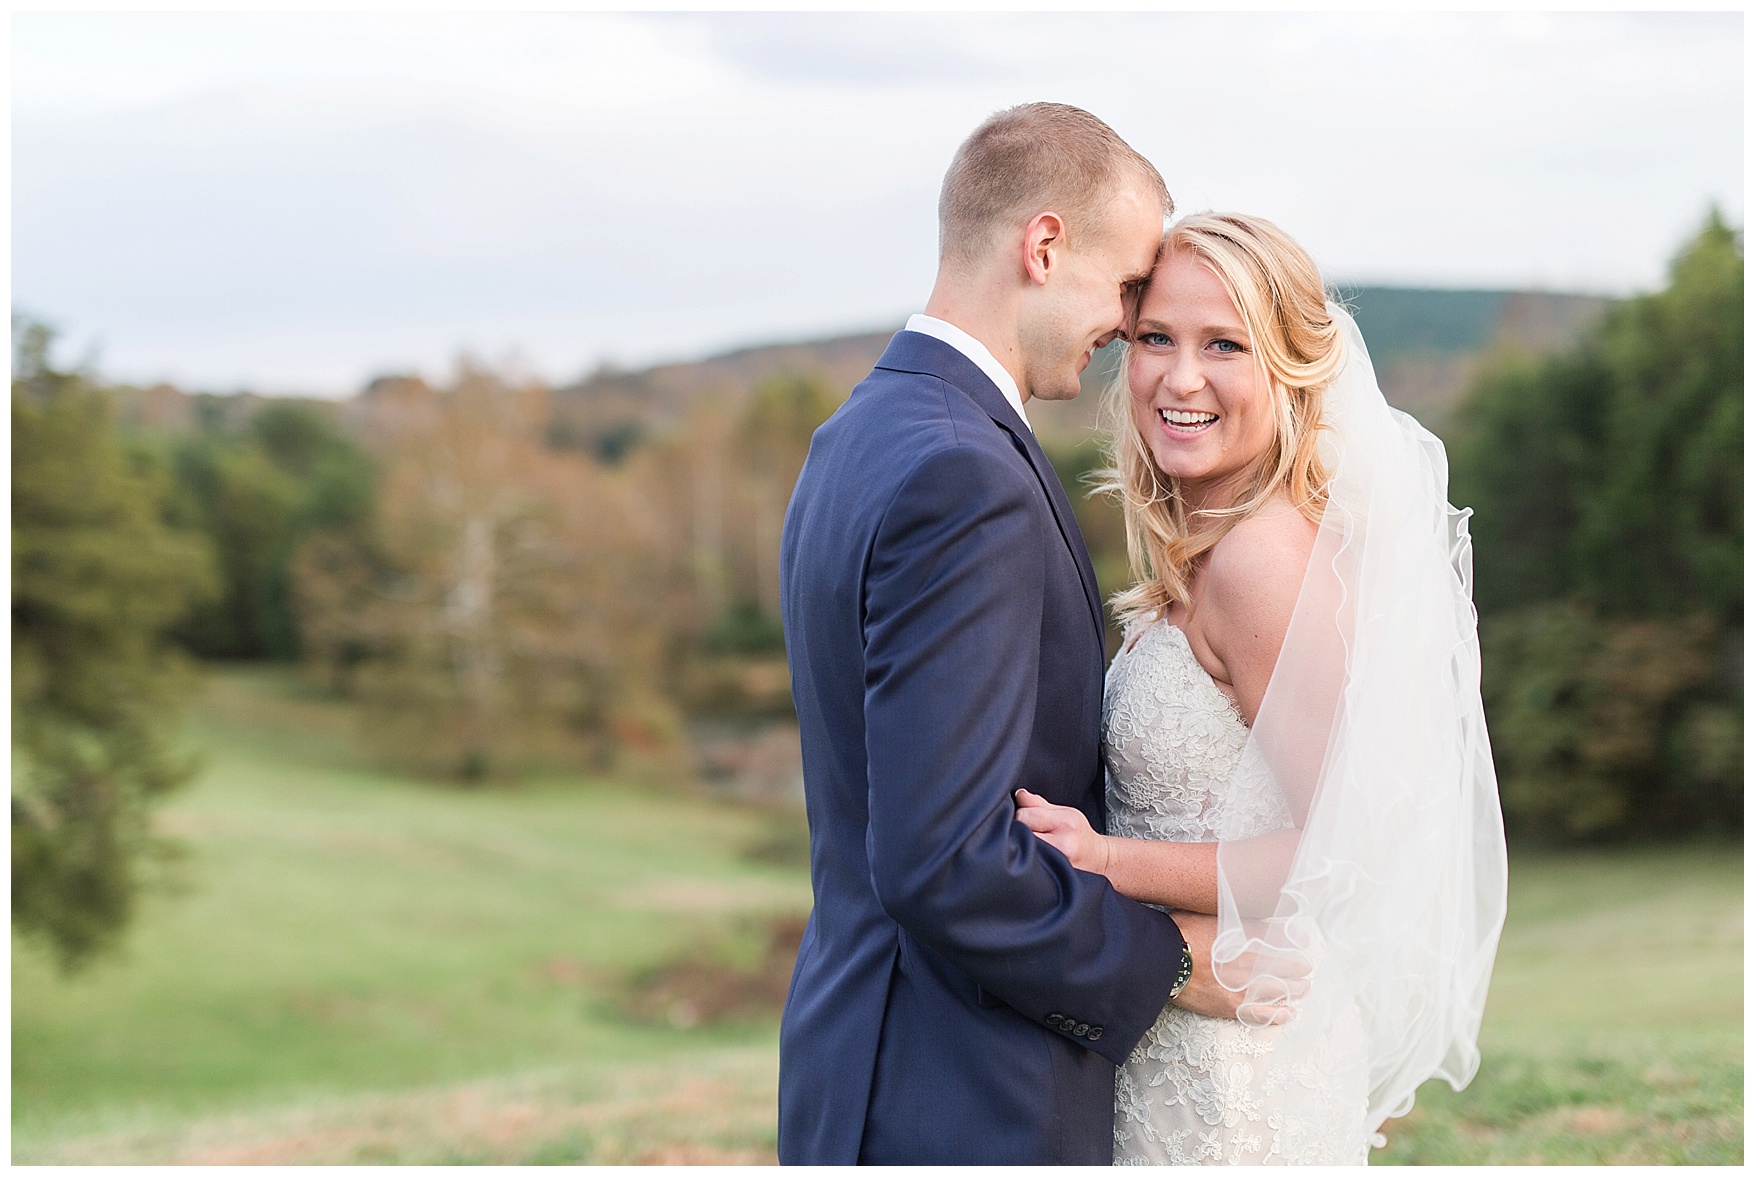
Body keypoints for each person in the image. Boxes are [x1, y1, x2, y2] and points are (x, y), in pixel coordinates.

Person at [777, 104, 1259, 1165]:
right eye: (1130, 288)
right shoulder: (967, 475)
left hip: (857, 1056)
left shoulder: (860, 430)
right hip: (961, 1091)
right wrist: (1170, 961)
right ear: (1044, 247)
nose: (1131, 326)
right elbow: (944, 858)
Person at [1016, 212, 1508, 1163]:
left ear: (1289, 373)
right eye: (1155, 337)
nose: (1179, 376)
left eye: (1224, 345)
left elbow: (1341, 849)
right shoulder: (1204, 554)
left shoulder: (1262, 560)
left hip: (1239, 1076)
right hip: (1176, 1038)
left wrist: (1104, 861)